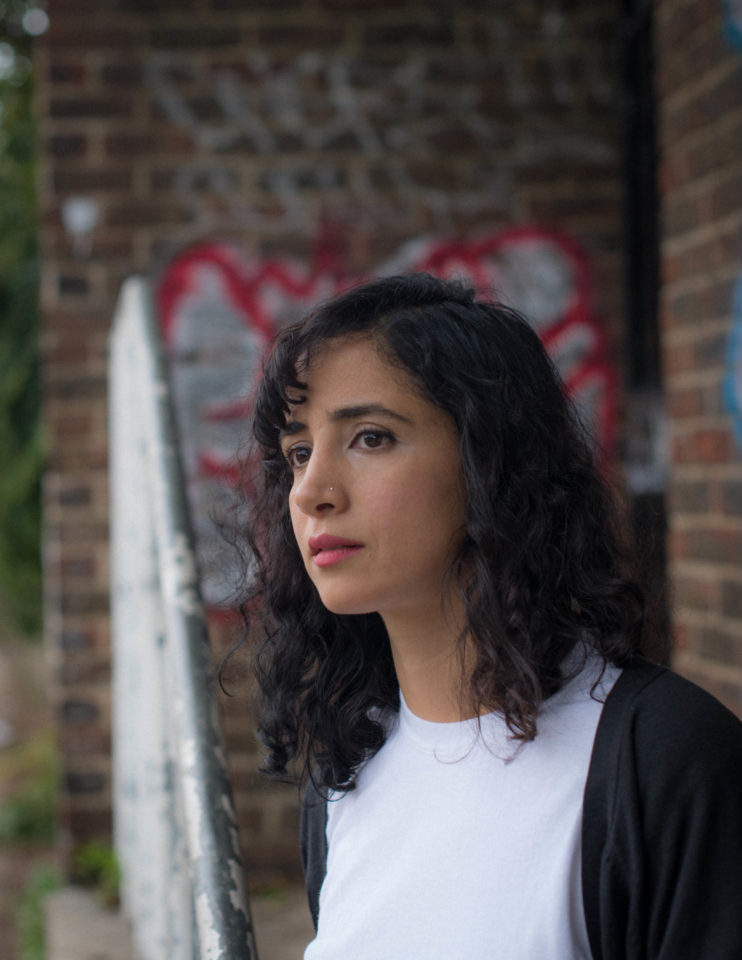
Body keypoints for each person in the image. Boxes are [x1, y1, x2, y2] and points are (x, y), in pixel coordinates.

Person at [240, 273, 742, 959]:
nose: (311, 492)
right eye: (299, 453)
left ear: (491, 460)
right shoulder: (344, 778)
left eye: (371, 438)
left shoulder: (661, 759)